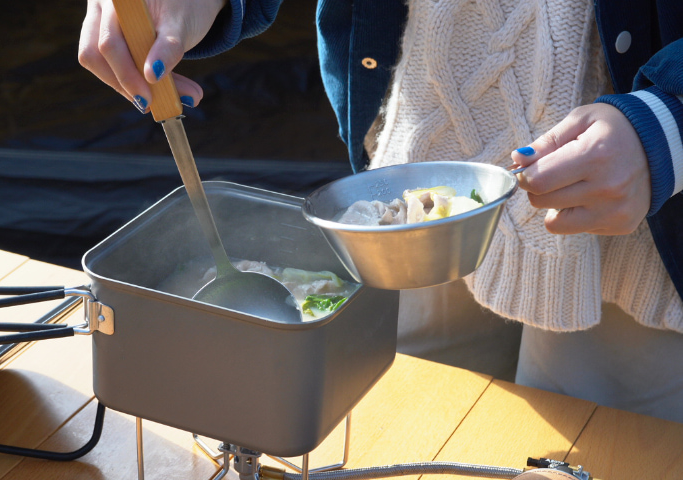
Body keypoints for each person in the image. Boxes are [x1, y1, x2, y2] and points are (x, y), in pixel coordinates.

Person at [78, 0, 683, 422]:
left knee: (596, 446)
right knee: (397, 423)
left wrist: (670, 122)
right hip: (417, 167)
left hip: (633, 210)